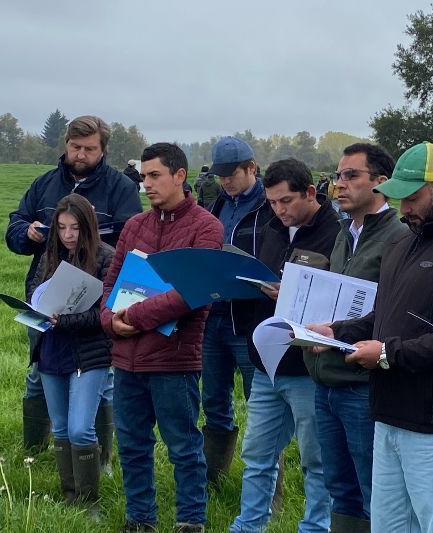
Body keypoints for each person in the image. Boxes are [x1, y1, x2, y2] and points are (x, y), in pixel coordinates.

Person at [309, 142, 433, 532]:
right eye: (399, 199)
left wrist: (385, 355)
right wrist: (337, 331)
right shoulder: (403, 241)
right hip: (388, 412)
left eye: (413, 199)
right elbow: (385, 315)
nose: (404, 210)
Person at [101, 143, 223, 533]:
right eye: (143, 176)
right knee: (133, 446)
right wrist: (108, 320)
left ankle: (190, 522)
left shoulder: (206, 226)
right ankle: (140, 520)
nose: (146, 184)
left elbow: (193, 291)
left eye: (154, 176)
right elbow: (111, 282)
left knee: (184, 447)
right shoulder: (136, 225)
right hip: (127, 359)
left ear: (180, 175)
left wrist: (133, 317)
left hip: (173, 358)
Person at [6, 115, 142, 462]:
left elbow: (131, 241)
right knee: (39, 370)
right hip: (47, 287)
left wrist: (91, 238)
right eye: (75, 147)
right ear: (65, 145)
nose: (81, 154)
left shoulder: (119, 188)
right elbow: (15, 227)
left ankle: (102, 457)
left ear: (103, 150)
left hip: (95, 292)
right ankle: (35, 454)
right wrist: (29, 233)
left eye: (89, 149)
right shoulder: (45, 184)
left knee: (101, 379)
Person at [230, 158, 339, 533]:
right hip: (266, 363)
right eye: (273, 202)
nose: (280, 210)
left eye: (287, 201)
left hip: (308, 366)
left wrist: (290, 295)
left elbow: (342, 302)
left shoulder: (337, 233)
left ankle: (315, 526)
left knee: (316, 459)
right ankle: (249, 525)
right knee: (257, 454)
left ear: (311, 192)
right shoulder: (274, 228)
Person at [302, 143, 406, 532]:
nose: (339, 185)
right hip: (326, 377)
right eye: (338, 175)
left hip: (362, 383)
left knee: (371, 487)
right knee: (339, 488)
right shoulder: (345, 232)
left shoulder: (398, 237)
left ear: (381, 182)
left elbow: (395, 312)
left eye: (352, 176)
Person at [27, 194, 115, 514]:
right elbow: (34, 294)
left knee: (80, 427)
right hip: (50, 350)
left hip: (88, 353)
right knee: (62, 428)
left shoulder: (106, 257)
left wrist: (64, 320)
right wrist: (35, 312)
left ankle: (90, 503)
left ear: (88, 226)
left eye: (75, 227)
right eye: (62, 227)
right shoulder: (49, 256)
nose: (67, 235)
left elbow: (105, 313)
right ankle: (71, 497)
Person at [201, 136, 273, 484]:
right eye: (221, 174)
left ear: (252, 168)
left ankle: (267, 489)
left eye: (232, 173)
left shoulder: (271, 204)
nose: (226, 180)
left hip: (252, 321)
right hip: (214, 315)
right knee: (214, 400)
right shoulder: (217, 204)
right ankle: (213, 478)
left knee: (260, 406)